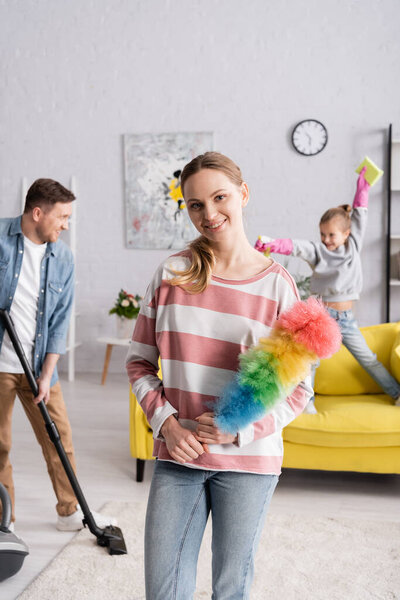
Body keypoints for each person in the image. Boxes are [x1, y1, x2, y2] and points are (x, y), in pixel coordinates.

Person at [126, 152, 313, 599]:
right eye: (194, 205)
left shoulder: (278, 287)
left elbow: (299, 389)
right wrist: (166, 425)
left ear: (243, 194)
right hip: (180, 456)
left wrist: (240, 431)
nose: (208, 214)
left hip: (250, 462)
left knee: (231, 589)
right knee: (164, 590)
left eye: (219, 197)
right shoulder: (172, 274)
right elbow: (139, 363)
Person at [0, 178, 116, 531]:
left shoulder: (62, 256)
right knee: (0, 445)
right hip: (0, 366)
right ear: (38, 213)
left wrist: (48, 374)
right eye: (62, 216)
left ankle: (69, 513)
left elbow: (60, 320)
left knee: (59, 438)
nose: (66, 224)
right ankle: (5, 522)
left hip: (37, 367)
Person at [255, 167, 400, 413]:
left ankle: (396, 393)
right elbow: (297, 247)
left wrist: (362, 186)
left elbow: (361, 213)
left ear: (346, 234)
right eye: (323, 234)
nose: (326, 240)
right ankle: (307, 402)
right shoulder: (318, 251)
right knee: (310, 362)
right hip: (320, 319)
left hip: (346, 319)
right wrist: (272, 244)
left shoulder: (353, 246)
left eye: (331, 235)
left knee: (368, 359)